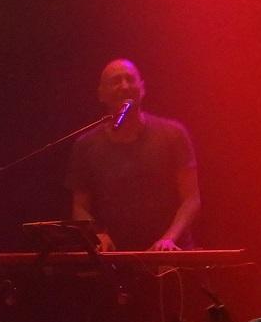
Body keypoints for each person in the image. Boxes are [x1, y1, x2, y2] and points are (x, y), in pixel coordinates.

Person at [67, 59, 200, 252]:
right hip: (116, 257)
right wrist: (97, 234)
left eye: (130, 79)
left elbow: (191, 199)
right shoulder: (86, 145)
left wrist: (169, 239)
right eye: (116, 81)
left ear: (142, 88)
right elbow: (80, 207)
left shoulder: (173, 134)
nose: (124, 86)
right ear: (101, 94)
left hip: (170, 255)